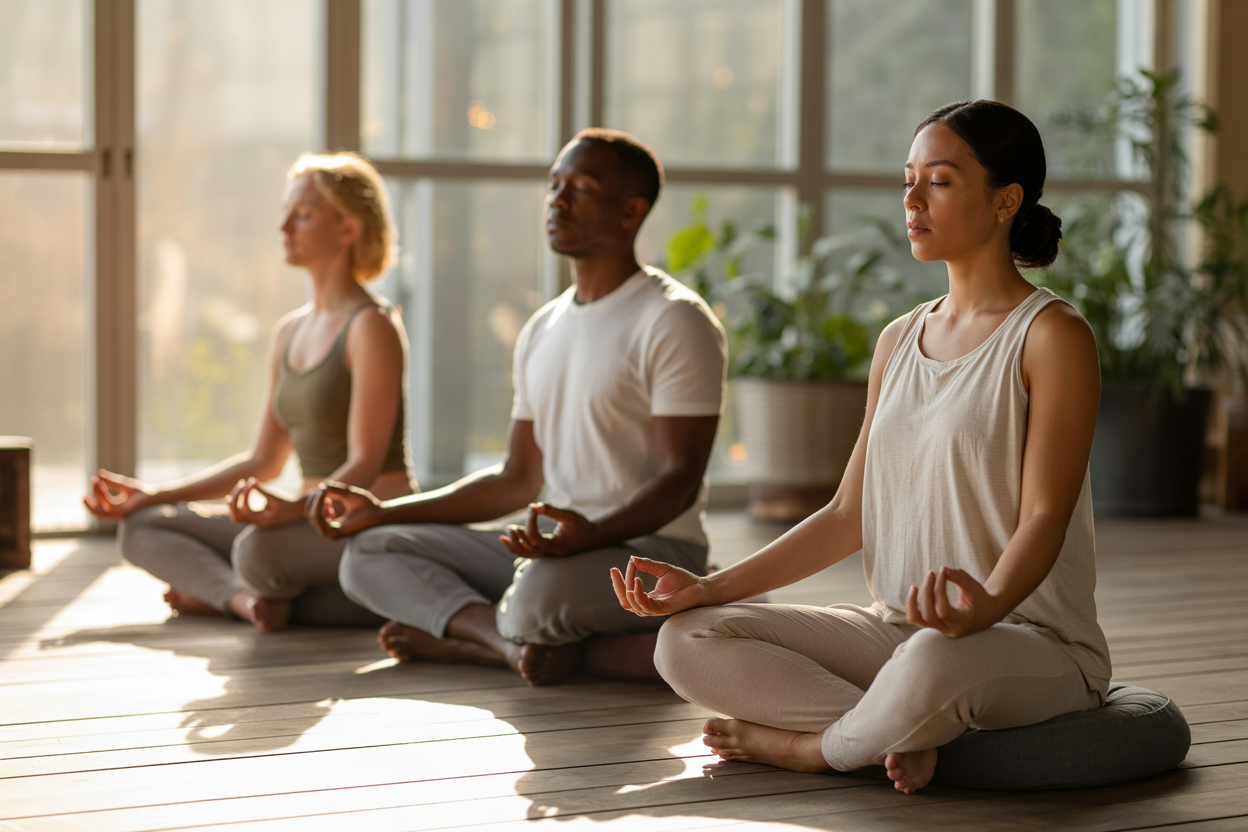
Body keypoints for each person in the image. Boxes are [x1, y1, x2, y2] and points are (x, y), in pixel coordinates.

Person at [611, 100, 1113, 795]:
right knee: (687, 638)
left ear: (1006, 201)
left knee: (932, 664)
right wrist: (705, 588)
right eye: (908, 178)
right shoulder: (899, 340)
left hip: (1028, 641)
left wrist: (987, 606)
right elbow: (850, 513)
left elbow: (1044, 520)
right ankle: (900, 732)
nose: (911, 199)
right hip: (898, 633)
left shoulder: (1052, 336)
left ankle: (816, 749)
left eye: (938, 180)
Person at [309, 128, 727, 686]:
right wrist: (382, 512)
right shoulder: (541, 328)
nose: (557, 200)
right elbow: (516, 479)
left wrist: (589, 536)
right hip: (557, 549)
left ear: (631, 211)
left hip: (646, 553)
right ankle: (502, 644)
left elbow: (680, 479)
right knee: (367, 552)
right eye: (554, 185)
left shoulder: (675, 320)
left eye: (579, 188)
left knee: (536, 596)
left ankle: (477, 638)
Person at [84, 152, 415, 632]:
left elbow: (363, 466)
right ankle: (244, 600)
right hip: (301, 517)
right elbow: (265, 461)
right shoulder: (289, 332)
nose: (284, 226)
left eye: (302, 214)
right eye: (286, 212)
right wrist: (154, 494)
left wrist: (292, 512)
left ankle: (229, 593)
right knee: (143, 526)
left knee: (258, 550)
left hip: (361, 520)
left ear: (348, 229)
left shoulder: (372, 327)